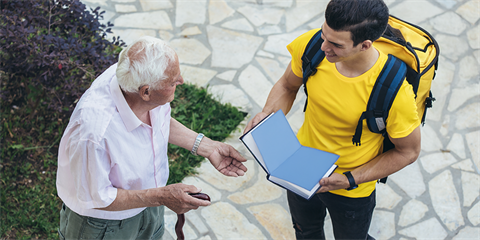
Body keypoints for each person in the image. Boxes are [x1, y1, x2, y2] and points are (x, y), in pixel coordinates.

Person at [244, 0, 421, 239]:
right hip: (299, 166)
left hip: (350, 188)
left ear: (364, 45)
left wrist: (349, 179)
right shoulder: (313, 46)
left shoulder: (394, 91)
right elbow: (287, 85)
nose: (324, 46)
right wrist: (267, 114)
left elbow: (408, 152)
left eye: (336, 44)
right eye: (324, 34)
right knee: (305, 232)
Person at [56, 36, 248, 239]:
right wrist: (161, 197)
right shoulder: (94, 133)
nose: (181, 81)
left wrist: (207, 147)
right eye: (174, 81)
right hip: (104, 225)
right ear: (146, 92)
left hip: (149, 205)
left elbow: (158, 119)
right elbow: (97, 196)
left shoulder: (134, 79)